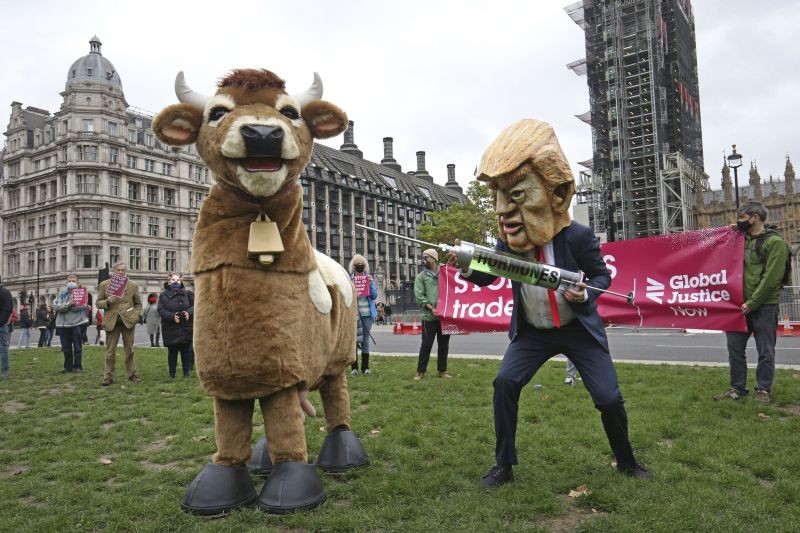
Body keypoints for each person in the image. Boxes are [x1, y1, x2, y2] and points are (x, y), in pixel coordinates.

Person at [449, 119, 650, 487]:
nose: (501, 210)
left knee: (608, 398)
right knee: (505, 383)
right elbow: (490, 273)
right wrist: (465, 265)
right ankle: (503, 466)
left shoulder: (578, 236)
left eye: (517, 195)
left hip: (577, 330)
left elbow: (602, 276)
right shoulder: (508, 242)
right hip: (533, 334)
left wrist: (587, 292)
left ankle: (627, 461)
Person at [716, 201, 790, 404]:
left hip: (764, 305)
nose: (738, 222)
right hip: (738, 306)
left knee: (765, 351)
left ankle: (763, 390)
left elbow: (771, 279)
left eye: (741, 218)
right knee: (735, 350)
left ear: (755, 217)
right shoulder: (740, 239)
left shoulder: (775, 243)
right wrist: (729, 231)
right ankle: (737, 388)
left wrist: (752, 303)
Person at [97, 262, 142, 386]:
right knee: (110, 351)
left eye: (123, 270)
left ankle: (132, 374)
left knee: (130, 350)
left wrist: (135, 314)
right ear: (113, 271)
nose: (121, 272)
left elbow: (138, 303)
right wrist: (107, 301)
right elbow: (98, 303)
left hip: (128, 322)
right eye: (118, 270)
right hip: (112, 321)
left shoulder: (132, 285)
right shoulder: (105, 285)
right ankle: (108, 377)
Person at [414, 248, 451, 380]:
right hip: (428, 317)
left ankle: (442, 371)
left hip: (444, 317)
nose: (423, 260)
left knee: (444, 345)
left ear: (434, 259)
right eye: (423, 257)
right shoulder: (421, 277)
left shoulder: (445, 273)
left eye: (426, 257)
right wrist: (431, 308)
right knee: (426, 344)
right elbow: (419, 295)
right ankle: (420, 372)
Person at [157, 273, 195, 378]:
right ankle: (172, 374)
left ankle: (186, 373)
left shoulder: (188, 294)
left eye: (178, 280)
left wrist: (189, 313)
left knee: (186, 353)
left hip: (185, 328)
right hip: (171, 328)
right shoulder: (163, 295)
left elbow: (195, 306)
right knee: (172, 354)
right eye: (173, 280)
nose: (175, 282)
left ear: (181, 281)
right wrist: (172, 316)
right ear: (169, 281)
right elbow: (160, 310)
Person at [52, 273, 89, 373]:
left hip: (76, 324)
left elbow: (80, 307)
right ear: (66, 282)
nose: (71, 283)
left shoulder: (81, 293)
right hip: (63, 325)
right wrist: (69, 304)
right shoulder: (60, 294)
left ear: (77, 282)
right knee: (66, 348)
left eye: (73, 281)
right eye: (69, 281)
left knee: (77, 347)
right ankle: (67, 367)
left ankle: (77, 367)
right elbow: (55, 307)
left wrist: (65, 307)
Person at [349, 254, 378, 375]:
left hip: (367, 314)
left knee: (365, 340)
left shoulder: (369, 278)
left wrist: (370, 284)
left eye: (362, 264)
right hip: (354, 314)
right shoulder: (349, 279)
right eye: (357, 264)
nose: (360, 265)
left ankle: (365, 367)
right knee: (354, 341)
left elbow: (374, 296)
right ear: (353, 266)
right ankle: (354, 367)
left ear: (365, 266)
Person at [0, 282, 12, 378]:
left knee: (3, 347)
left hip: (1, 325)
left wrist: (1, 322)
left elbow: (8, 309)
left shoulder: (4, 292)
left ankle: (5, 370)